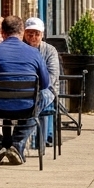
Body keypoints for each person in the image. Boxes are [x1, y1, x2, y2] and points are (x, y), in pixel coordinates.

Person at [0, 15, 50, 165]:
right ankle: (17, 143)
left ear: (3, 33)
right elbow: (45, 84)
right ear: (22, 33)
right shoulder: (35, 53)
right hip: (27, 108)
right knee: (45, 96)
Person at [22, 18, 60, 147]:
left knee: (42, 96)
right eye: (30, 34)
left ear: (42, 35)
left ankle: (39, 140)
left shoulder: (50, 50)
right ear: (24, 33)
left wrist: (35, 86)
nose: (33, 37)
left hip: (45, 89)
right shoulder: (20, 48)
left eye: (36, 34)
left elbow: (52, 77)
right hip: (23, 90)